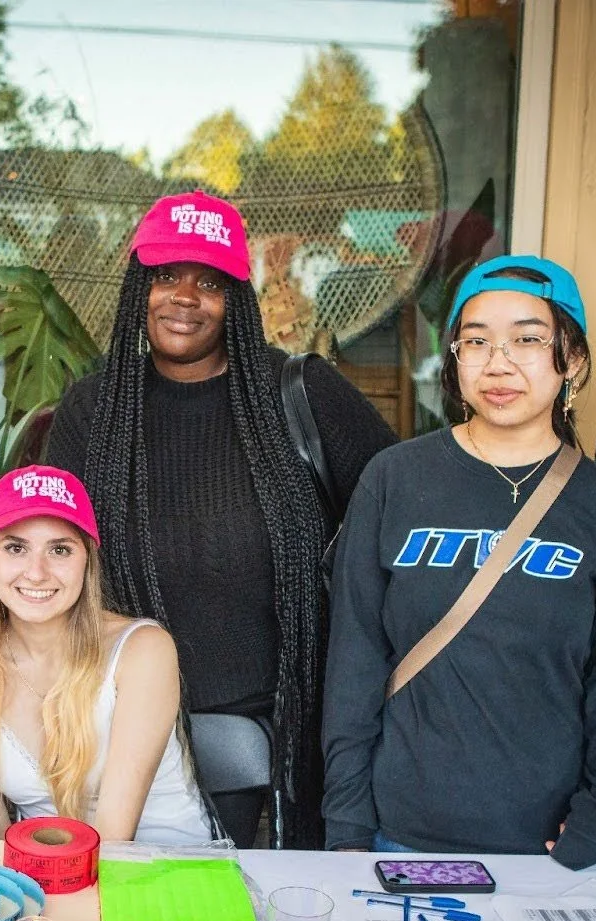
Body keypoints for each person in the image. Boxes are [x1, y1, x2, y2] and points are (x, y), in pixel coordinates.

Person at [44, 191, 396, 848]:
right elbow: (46, 554)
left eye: (209, 283)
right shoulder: (94, 411)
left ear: (237, 299)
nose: (185, 297)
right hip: (120, 733)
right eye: (165, 276)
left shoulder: (299, 394)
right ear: (138, 288)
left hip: (281, 749)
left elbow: (398, 516)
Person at [322, 255, 596, 870]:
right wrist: (346, 825)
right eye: (476, 341)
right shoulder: (394, 479)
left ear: (572, 358)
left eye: (528, 340)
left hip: (546, 845)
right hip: (397, 833)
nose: (498, 362)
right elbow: (355, 659)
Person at [0, 465, 212, 845]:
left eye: (59, 549)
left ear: (87, 562)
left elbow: (113, 841)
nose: (36, 573)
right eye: (16, 548)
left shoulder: (143, 651)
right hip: (46, 872)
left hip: (165, 865)